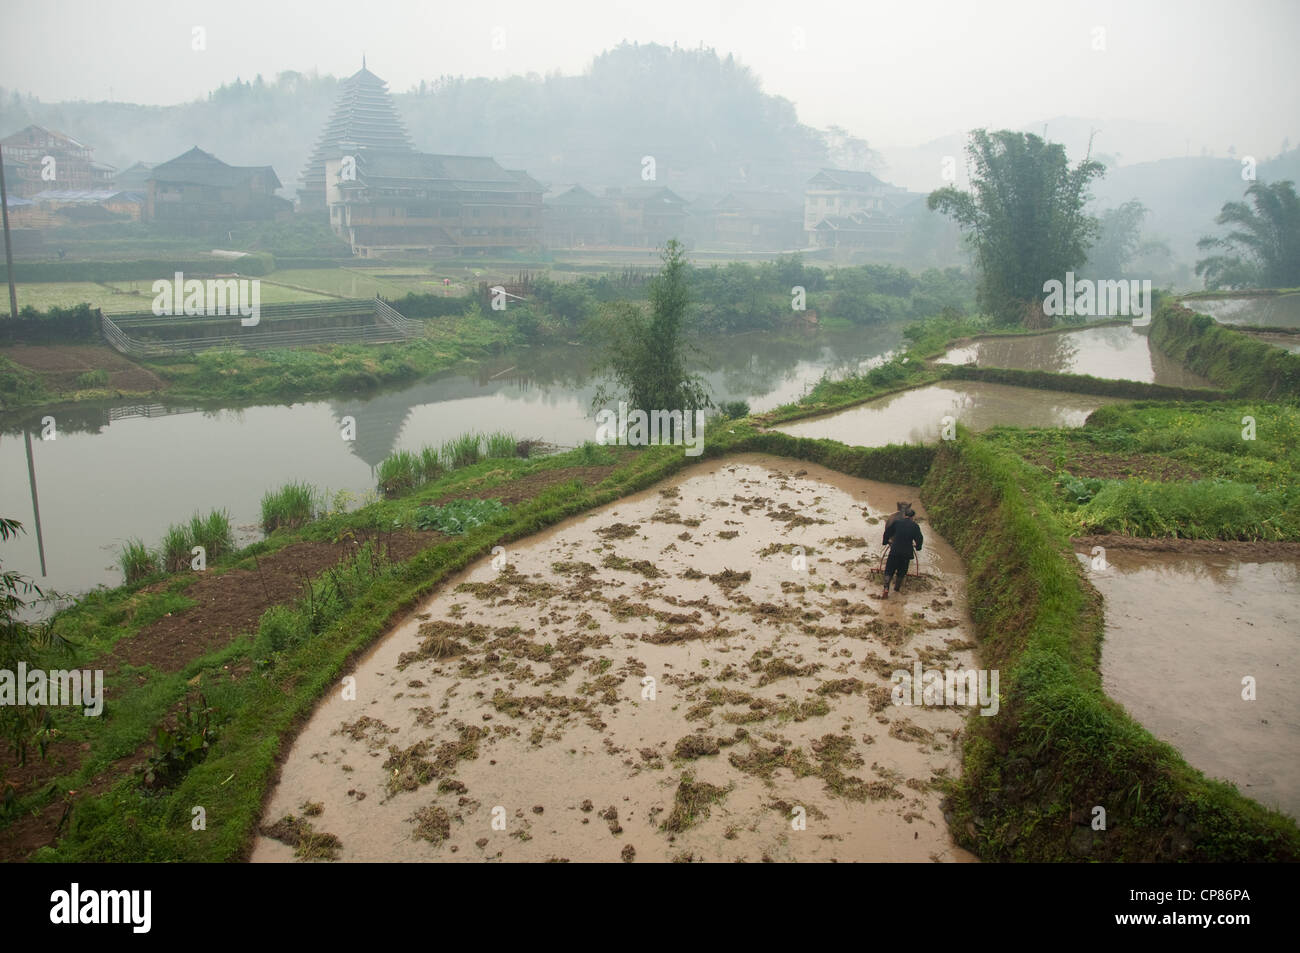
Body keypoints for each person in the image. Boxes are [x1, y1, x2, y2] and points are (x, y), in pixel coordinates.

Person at [880, 507, 923, 599]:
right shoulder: (915, 526)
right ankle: (896, 589)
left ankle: (886, 589)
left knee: (889, 570)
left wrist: (886, 542)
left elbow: (887, 532)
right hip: (906, 553)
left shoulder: (897, 523)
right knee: (902, 572)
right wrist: (918, 547)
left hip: (894, 551)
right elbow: (919, 539)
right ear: (913, 517)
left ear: (904, 515)